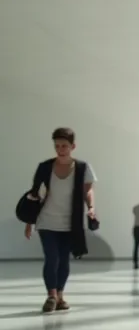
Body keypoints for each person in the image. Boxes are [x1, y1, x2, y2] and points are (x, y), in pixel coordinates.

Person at [23, 127, 98, 313]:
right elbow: (34, 196)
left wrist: (91, 208)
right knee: (52, 258)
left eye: (64, 145)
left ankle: (61, 296)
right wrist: (29, 223)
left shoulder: (82, 167)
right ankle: (51, 296)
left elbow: (87, 190)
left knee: (64, 260)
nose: (60, 149)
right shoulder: (45, 167)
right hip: (46, 221)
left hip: (70, 223)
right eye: (57, 146)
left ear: (73, 146)